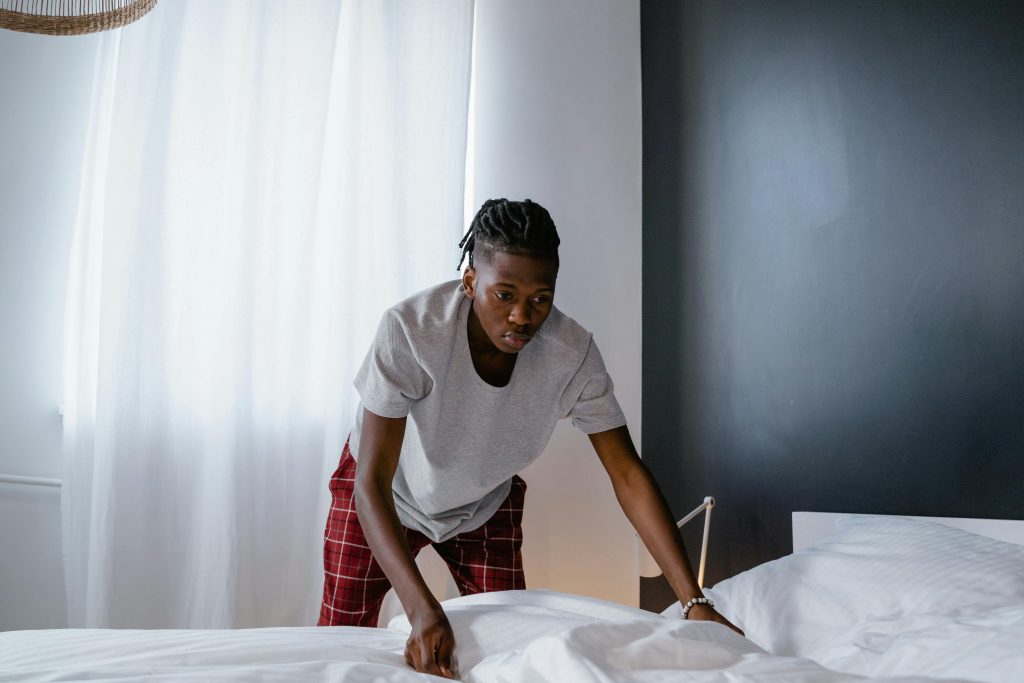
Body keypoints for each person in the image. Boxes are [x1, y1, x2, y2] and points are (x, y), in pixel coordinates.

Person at [318, 198, 738, 677]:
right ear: (471, 281)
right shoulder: (411, 331)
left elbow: (627, 473)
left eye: (541, 298)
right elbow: (370, 478)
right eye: (505, 295)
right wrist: (422, 609)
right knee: (340, 635)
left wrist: (693, 601)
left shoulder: (571, 355)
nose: (523, 316)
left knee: (509, 650)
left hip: (484, 505)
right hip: (386, 495)